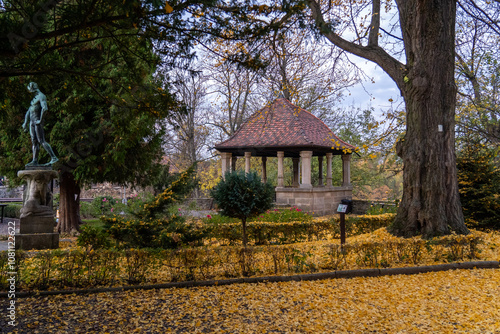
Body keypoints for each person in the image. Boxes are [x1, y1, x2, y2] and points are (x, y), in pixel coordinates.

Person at [22, 82, 58, 166]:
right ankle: (35, 160)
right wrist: (25, 122)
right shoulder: (34, 98)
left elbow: (45, 108)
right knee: (34, 141)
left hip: (37, 122)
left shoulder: (41, 96)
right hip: (32, 122)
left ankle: (53, 157)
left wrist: (40, 120)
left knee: (41, 141)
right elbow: (29, 110)